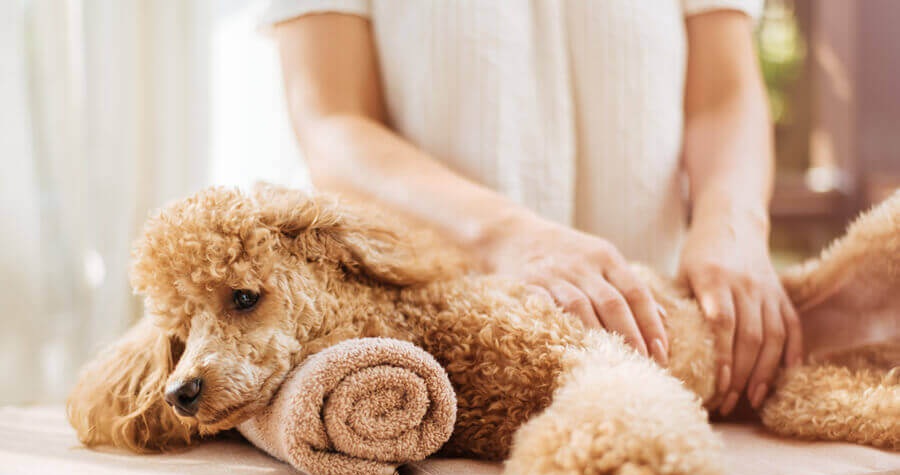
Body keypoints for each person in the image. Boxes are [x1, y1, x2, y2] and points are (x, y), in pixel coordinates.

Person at [262, 0, 802, 416]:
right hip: (438, 366)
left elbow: (722, 95)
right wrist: (509, 238)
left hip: (661, 356)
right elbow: (332, 122)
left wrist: (733, 225)